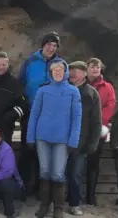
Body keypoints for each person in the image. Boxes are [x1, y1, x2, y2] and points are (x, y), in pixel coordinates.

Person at [26, 60, 82, 218]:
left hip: (62, 139)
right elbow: (34, 114)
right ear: (50, 73)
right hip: (42, 137)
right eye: (54, 70)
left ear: (65, 71)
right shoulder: (43, 91)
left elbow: (76, 118)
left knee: (58, 173)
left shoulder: (73, 91)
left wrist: (73, 140)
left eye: (60, 70)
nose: (57, 72)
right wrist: (30, 137)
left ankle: (58, 207)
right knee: (44, 172)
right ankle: (44, 205)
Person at [18, 32, 63, 196]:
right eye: (49, 44)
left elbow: (65, 86)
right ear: (42, 45)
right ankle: (24, 186)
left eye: (55, 45)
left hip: (50, 115)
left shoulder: (60, 64)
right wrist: (23, 102)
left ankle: (40, 189)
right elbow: (20, 84)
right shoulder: (30, 62)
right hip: (30, 111)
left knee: (44, 150)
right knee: (26, 148)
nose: (51, 48)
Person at [67, 61, 102, 215]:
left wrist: (93, 143)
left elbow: (96, 121)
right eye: (71, 70)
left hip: (81, 142)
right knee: (58, 173)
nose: (73, 73)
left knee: (76, 174)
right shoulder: (64, 89)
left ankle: (75, 204)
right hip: (62, 139)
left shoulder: (92, 94)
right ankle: (57, 202)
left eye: (77, 71)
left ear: (84, 74)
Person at [85, 57, 116, 205]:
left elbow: (110, 106)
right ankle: (73, 193)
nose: (95, 70)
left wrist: (96, 120)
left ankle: (90, 195)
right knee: (76, 161)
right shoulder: (80, 84)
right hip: (82, 128)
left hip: (98, 129)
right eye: (92, 67)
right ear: (87, 69)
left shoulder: (107, 87)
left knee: (93, 162)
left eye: (98, 67)